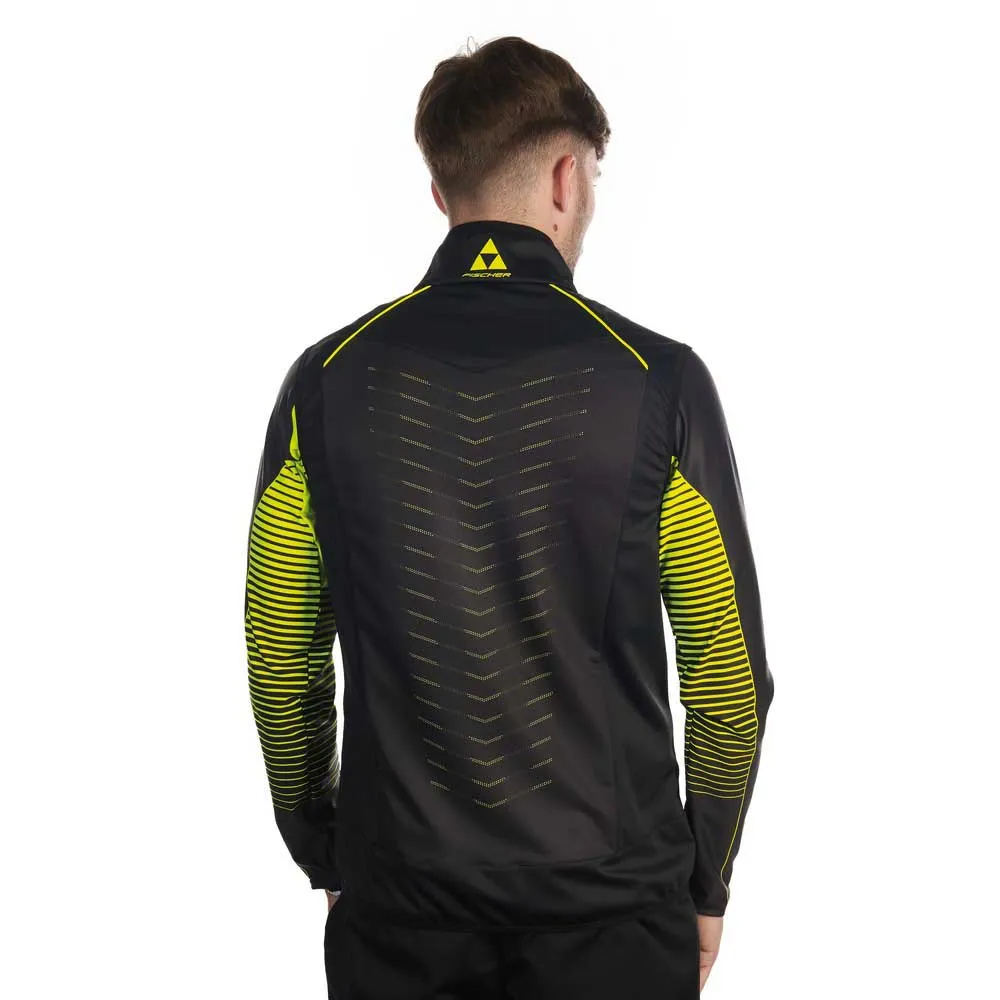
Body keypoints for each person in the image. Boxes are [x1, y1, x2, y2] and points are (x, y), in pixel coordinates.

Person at [244, 34, 774, 1000]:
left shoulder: (324, 381)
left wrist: (325, 848)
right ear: (567, 177)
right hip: (614, 916)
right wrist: (706, 877)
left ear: (440, 191)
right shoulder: (658, 380)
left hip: (400, 910)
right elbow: (728, 678)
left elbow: (281, 656)